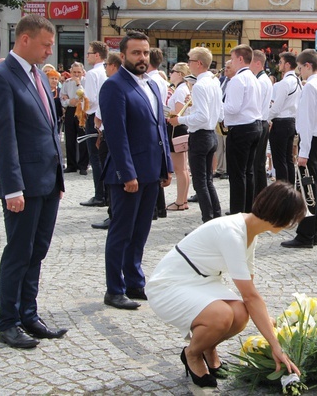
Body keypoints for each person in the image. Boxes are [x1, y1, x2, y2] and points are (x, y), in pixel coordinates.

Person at [147, 182, 305, 388]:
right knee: (221, 315)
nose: (291, 225)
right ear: (280, 217)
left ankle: (208, 348)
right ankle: (192, 354)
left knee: (240, 314)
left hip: (201, 281)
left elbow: (250, 293)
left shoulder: (251, 232)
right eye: (292, 220)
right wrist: (276, 346)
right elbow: (250, 295)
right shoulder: (232, 232)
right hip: (169, 285)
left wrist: (265, 320)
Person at [0, 14, 67, 348]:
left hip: (47, 181)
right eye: (45, 45)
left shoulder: (40, 76)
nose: (49, 51)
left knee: (38, 251)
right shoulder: (1, 77)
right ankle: (8, 321)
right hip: (22, 184)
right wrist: (13, 187)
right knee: (19, 252)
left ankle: (29, 314)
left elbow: (48, 129)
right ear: (25, 39)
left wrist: (59, 178)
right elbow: (4, 137)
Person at [98, 31, 173, 310]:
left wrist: (165, 165)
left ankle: (134, 281)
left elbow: (159, 129)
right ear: (123, 55)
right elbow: (116, 136)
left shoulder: (152, 85)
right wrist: (127, 174)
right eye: (136, 53)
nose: (142, 58)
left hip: (152, 170)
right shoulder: (114, 86)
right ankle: (114, 288)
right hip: (128, 174)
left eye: (145, 53)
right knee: (121, 232)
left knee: (141, 231)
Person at [281, 49, 317, 249]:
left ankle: (306, 235)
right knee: (312, 188)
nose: (299, 71)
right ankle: (312, 232)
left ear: (308, 66)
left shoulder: (311, 87)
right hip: (316, 141)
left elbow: (308, 122)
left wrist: (303, 153)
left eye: (300, 68)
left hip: (310, 142)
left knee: (307, 189)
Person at [171, 47, 224, 223]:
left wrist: (180, 120)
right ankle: (215, 216)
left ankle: (208, 220)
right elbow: (218, 114)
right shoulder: (213, 82)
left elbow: (202, 117)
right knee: (207, 180)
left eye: (190, 61)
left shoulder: (201, 85)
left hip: (201, 135)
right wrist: (192, 107)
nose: (188, 64)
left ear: (199, 64)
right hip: (210, 134)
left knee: (200, 182)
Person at [224, 44, 262, 214]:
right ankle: (247, 210)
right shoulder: (253, 77)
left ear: (240, 59)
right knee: (248, 172)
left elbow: (232, 108)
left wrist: (218, 104)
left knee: (237, 174)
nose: (231, 63)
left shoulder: (238, 79)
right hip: (254, 126)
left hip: (241, 128)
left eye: (232, 59)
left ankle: (237, 212)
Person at [90, 52, 124, 231]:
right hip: (111, 135)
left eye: (107, 65)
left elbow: (101, 114)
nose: (105, 69)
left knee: (110, 176)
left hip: (108, 135)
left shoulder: (111, 84)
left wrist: (98, 124)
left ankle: (113, 214)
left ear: (113, 66)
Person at [80, 41, 109, 208]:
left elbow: (89, 100)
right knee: (102, 156)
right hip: (105, 116)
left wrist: (81, 105)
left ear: (97, 55)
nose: (87, 56)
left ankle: (100, 194)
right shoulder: (105, 71)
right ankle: (105, 192)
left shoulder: (92, 74)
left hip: (94, 116)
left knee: (95, 157)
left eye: (89, 53)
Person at [268, 51, 302, 184]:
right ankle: (290, 189)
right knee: (288, 159)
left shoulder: (285, 82)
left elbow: (276, 108)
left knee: (280, 161)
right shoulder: (297, 81)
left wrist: (265, 119)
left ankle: (283, 191)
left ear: (287, 65)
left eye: (281, 62)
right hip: (291, 121)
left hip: (281, 122)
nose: (279, 65)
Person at [165, 62, 192, 212]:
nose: (170, 73)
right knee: (182, 168)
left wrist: (166, 112)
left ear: (180, 74)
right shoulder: (181, 89)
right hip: (179, 128)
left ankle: (180, 200)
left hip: (176, 128)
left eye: (173, 71)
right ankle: (183, 199)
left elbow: (178, 111)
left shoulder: (181, 90)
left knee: (180, 168)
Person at [147, 48, 170, 220]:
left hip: (154, 123)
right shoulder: (160, 79)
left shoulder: (151, 80)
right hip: (160, 121)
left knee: (153, 169)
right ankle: (160, 208)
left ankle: (154, 208)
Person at [60, 62, 89, 174]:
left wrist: (78, 84)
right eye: (74, 72)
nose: (76, 75)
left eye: (79, 72)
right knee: (70, 138)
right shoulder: (67, 83)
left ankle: (83, 165)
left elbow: (84, 95)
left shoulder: (86, 82)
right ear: (70, 72)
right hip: (71, 110)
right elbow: (63, 98)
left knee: (83, 138)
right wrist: (69, 101)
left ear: (82, 72)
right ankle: (71, 165)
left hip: (82, 110)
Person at [251, 50, 273, 197]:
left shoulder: (260, 81)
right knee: (258, 163)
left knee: (256, 164)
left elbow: (255, 105)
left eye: (250, 61)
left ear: (258, 63)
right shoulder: (264, 79)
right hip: (262, 122)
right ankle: (260, 196)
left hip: (259, 122)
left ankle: (257, 196)